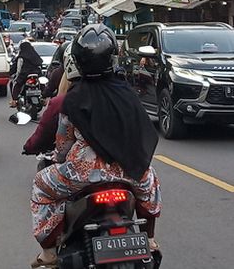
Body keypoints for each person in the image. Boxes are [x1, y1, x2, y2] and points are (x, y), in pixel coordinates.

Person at [30, 24, 161, 268]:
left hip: (82, 174)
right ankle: (150, 239)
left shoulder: (73, 98)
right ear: (113, 57)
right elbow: (142, 131)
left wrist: (60, 159)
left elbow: (62, 144)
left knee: (40, 186)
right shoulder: (128, 94)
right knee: (151, 183)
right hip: (132, 171)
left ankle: (48, 252)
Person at [10, 41, 44, 108]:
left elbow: (18, 69)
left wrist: (15, 76)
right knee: (42, 84)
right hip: (37, 74)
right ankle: (44, 98)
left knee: (16, 84)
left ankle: (14, 101)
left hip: (24, 75)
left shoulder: (21, 57)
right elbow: (40, 65)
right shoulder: (35, 56)